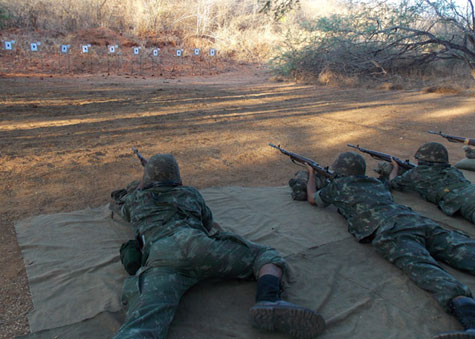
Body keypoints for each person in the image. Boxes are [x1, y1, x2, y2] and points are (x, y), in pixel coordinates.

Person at [114, 153, 326, 339]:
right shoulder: (190, 194)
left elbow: (126, 208)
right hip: (201, 246)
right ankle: (269, 300)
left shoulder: (136, 200)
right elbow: (207, 222)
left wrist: (142, 184)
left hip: (162, 259)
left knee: (143, 322)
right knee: (265, 255)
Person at [302, 151, 475, 339]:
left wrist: (311, 175)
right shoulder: (376, 183)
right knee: (463, 250)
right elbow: (387, 183)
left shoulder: (338, 186)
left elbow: (313, 198)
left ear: (339, 171)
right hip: (414, 219)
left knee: (426, 269)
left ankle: (470, 318)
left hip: (390, 230)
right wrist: (394, 168)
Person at [382, 142, 475, 224]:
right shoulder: (453, 170)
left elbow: (393, 182)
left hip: (465, 203)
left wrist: (395, 167)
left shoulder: (416, 173)